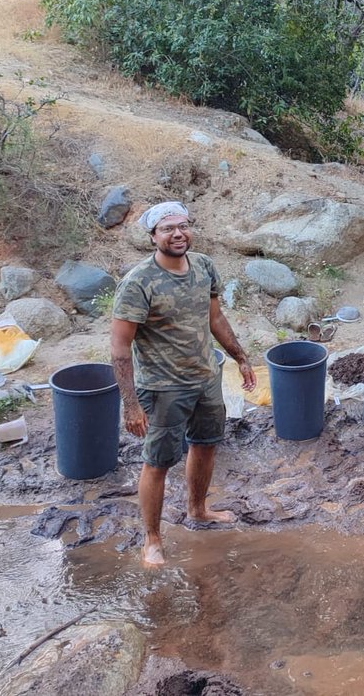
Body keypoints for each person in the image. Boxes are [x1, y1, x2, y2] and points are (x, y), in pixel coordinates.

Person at [110, 201, 256, 566]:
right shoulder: (138, 283)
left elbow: (216, 317)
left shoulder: (204, 265)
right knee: (158, 462)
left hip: (206, 377)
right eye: (167, 228)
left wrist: (240, 356)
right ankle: (153, 540)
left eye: (183, 226)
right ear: (153, 236)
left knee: (206, 445)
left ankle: (198, 510)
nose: (178, 233)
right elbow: (119, 347)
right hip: (161, 387)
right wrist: (131, 404)